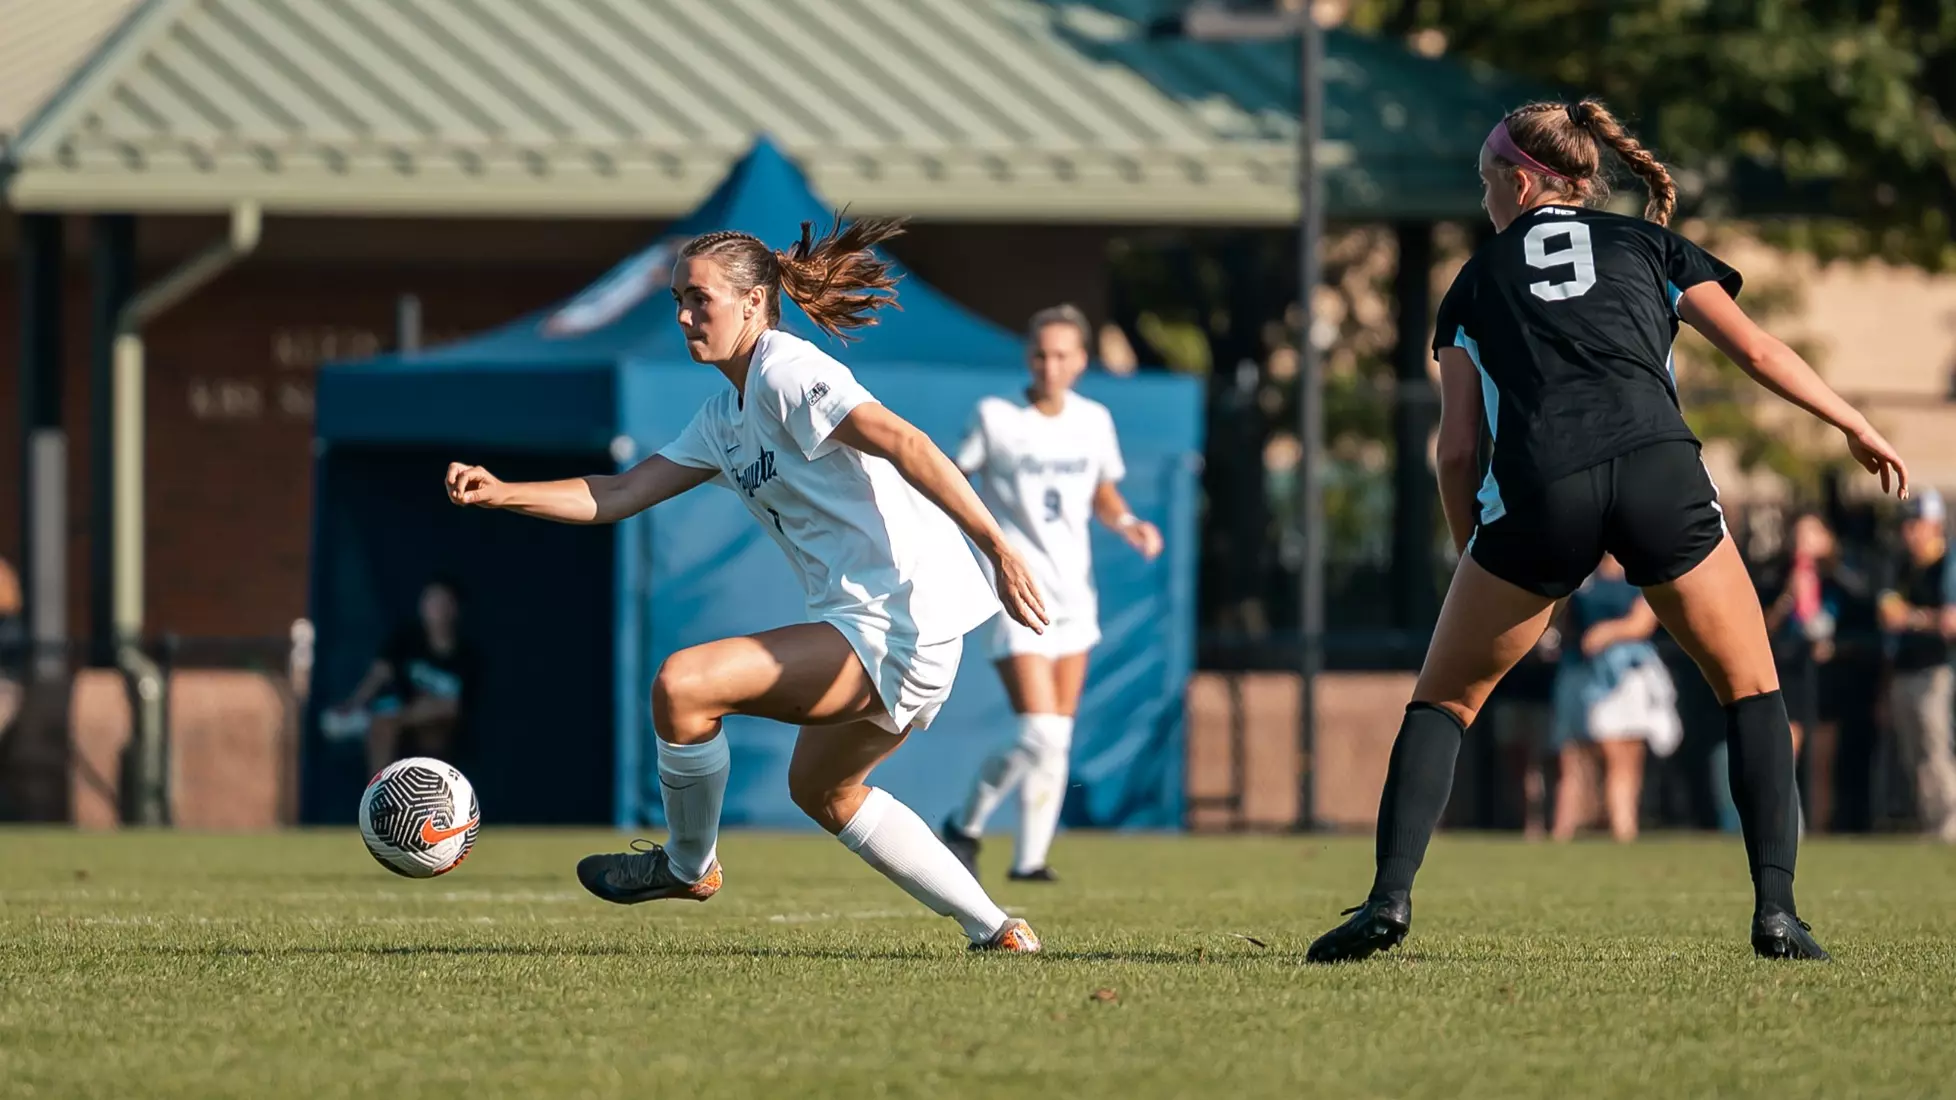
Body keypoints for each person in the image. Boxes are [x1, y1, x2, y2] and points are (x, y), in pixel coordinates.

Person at [1306, 98, 1907, 964]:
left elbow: (1458, 450)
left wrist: (1473, 545)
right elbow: (1760, 352)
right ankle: (1777, 912)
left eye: (1486, 184)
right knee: (1750, 689)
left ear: (1520, 181)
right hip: (1660, 468)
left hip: (1544, 485)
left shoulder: (1474, 281)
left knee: (1444, 700)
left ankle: (1387, 903)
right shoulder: (1650, 245)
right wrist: (1852, 422)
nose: (1485, 201)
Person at [443, 215, 1049, 953]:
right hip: (885, 624)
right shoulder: (722, 415)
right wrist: (503, 491)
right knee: (824, 794)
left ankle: (687, 866)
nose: (684, 315)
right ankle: (996, 929)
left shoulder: (786, 371)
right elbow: (621, 492)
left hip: (897, 621)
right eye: (676, 301)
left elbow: (904, 441)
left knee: (684, 684)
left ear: (754, 304)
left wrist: (998, 547)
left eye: (699, 299)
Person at [937, 305, 1163, 882]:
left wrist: (1129, 522)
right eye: (1041, 353)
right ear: (1028, 356)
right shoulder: (995, 416)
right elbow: (952, 481)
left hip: (1075, 595)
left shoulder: (1093, 420)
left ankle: (1030, 860)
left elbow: (1102, 492)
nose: (1050, 364)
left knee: (1056, 737)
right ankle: (964, 824)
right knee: (1038, 730)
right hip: (1016, 591)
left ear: (1081, 361)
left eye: (1063, 354)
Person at [1548, 556, 1680, 843]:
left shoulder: (1641, 572)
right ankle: (1564, 832)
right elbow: (1564, 619)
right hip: (1584, 672)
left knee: (1625, 754)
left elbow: (1643, 621)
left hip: (1627, 674)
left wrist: (1607, 634)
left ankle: (1624, 829)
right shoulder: (1583, 576)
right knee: (1579, 753)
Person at [328, 577, 475, 774]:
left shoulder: (468, 656)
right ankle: (379, 797)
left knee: (432, 724)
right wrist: (354, 703)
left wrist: (404, 716)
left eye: (442, 602)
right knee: (382, 726)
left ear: (454, 608)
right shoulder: (406, 640)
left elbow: (455, 708)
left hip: (441, 727)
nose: (435, 608)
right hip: (403, 719)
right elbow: (379, 673)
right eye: (430, 600)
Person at [1875, 489, 1956, 842]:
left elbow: (1950, 622)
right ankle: (1931, 825)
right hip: (1905, 671)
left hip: (1936, 671)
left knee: (1935, 751)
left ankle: (1949, 826)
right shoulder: (1904, 565)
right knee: (1914, 755)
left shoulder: (1948, 563)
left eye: (1916, 524)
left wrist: (1910, 617)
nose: (1909, 532)